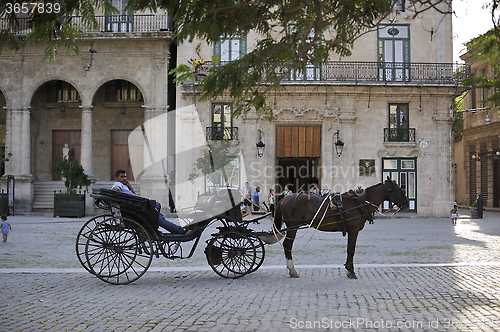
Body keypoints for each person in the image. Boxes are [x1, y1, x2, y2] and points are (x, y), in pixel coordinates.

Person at [112, 170, 185, 234]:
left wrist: (129, 186)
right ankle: (179, 230)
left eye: (125, 176)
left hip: (138, 205)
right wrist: (117, 189)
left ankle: (156, 224)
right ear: (117, 178)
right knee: (159, 218)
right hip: (136, 207)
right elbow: (116, 188)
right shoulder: (118, 184)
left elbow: (134, 195)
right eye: (122, 177)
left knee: (157, 211)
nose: (124, 178)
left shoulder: (124, 186)